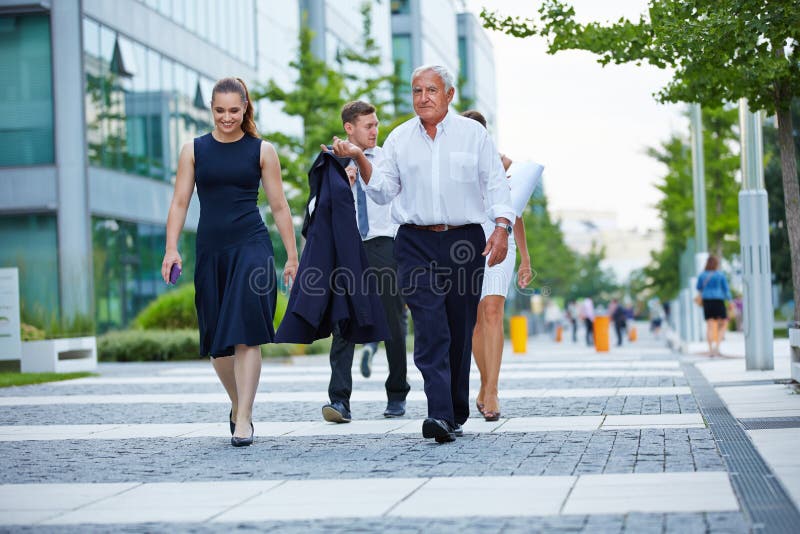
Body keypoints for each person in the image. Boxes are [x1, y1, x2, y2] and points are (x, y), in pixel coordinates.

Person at [326, 65, 514, 443]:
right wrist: (361, 158)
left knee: (460, 328)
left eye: (431, 90)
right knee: (430, 328)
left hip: (464, 241)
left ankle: (455, 409)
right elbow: (380, 191)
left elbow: (495, 185)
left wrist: (501, 228)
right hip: (414, 241)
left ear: (449, 95)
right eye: (416, 91)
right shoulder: (398, 139)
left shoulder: (472, 135)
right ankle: (439, 413)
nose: (423, 97)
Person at [161, 77, 298, 447]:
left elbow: (279, 206)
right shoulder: (193, 149)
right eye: (220, 110)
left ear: (245, 108)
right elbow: (179, 202)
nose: (227, 117)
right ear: (211, 109)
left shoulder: (262, 150)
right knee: (218, 344)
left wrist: (292, 255)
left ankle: (245, 419)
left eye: (234, 110)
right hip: (211, 250)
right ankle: (238, 405)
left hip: (252, 246)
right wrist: (171, 248)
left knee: (246, 332)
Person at [319, 101, 410, 424]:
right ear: (349, 128)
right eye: (368, 125)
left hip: (382, 244)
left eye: (376, 124)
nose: (375, 130)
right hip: (346, 247)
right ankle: (339, 401)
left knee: (393, 322)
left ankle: (397, 393)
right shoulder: (330, 161)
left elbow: (387, 193)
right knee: (342, 323)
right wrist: (342, 181)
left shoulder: (387, 158)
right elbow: (317, 207)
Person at [461, 109, 532, 422]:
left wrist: (526, 261)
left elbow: (515, 212)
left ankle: (492, 391)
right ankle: (484, 382)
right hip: (468, 244)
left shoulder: (502, 164)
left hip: (502, 240)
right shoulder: (455, 166)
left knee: (493, 310)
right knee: (476, 320)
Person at [697, 255, 732, 356]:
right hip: (718, 300)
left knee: (709, 325)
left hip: (707, 301)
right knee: (724, 323)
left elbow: (698, 287)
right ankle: (717, 347)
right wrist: (730, 301)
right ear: (716, 264)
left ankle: (710, 349)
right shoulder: (720, 275)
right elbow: (726, 289)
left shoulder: (702, 275)